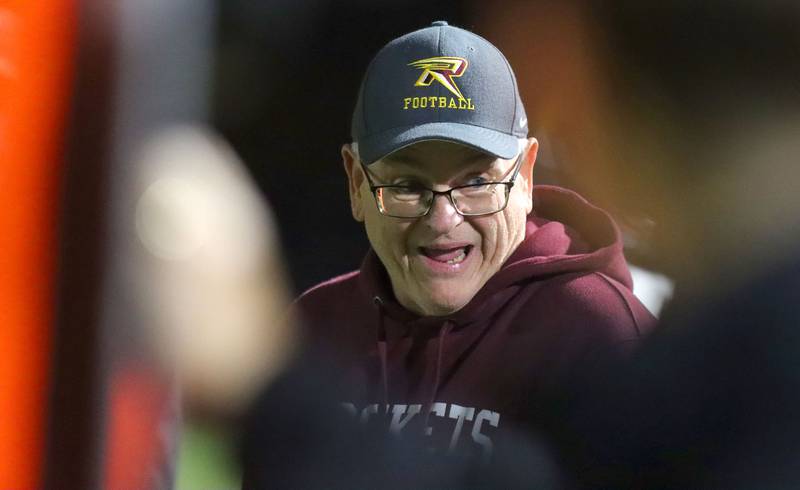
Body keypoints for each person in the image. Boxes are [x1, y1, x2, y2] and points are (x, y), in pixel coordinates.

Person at [294, 21, 655, 459]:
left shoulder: (599, 334)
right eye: (408, 185)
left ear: (524, 176)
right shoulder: (310, 333)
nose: (443, 219)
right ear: (356, 183)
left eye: (477, 180)